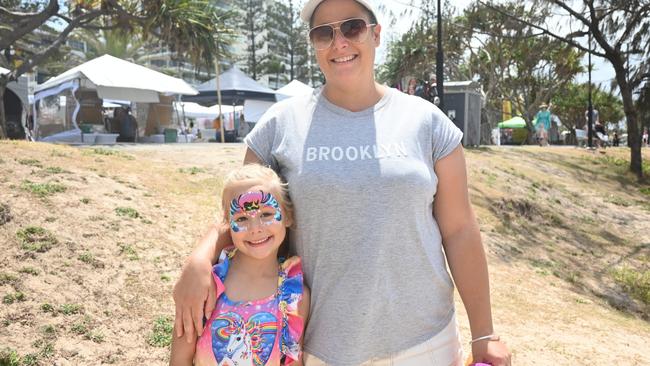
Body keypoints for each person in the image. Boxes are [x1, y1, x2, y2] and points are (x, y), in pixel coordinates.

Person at [173, 0, 511, 365]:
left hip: (427, 343)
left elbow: (459, 230)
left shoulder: (428, 123)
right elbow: (242, 212)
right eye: (323, 33)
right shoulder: (278, 126)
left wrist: (483, 334)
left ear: (376, 34)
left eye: (352, 28)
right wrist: (199, 259)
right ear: (313, 44)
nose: (339, 43)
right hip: (322, 347)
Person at [170, 164, 310, 365]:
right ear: (228, 224)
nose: (255, 228)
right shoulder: (207, 286)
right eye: (242, 218)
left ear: (286, 216)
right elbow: (179, 360)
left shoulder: (294, 296)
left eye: (266, 214)